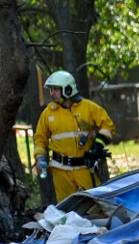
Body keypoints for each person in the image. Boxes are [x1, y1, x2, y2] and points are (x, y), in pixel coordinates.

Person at [33, 70, 116, 202]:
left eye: (55, 89)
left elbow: (108, 126)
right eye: (51, 89)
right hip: (60, 171)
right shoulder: (48, 113)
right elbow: (40, 138)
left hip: (84, 168)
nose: (52, 93)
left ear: (67, 89)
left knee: (92, 206)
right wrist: (39, 157)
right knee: (66, 209)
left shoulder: (88, 108)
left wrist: (97, 147)